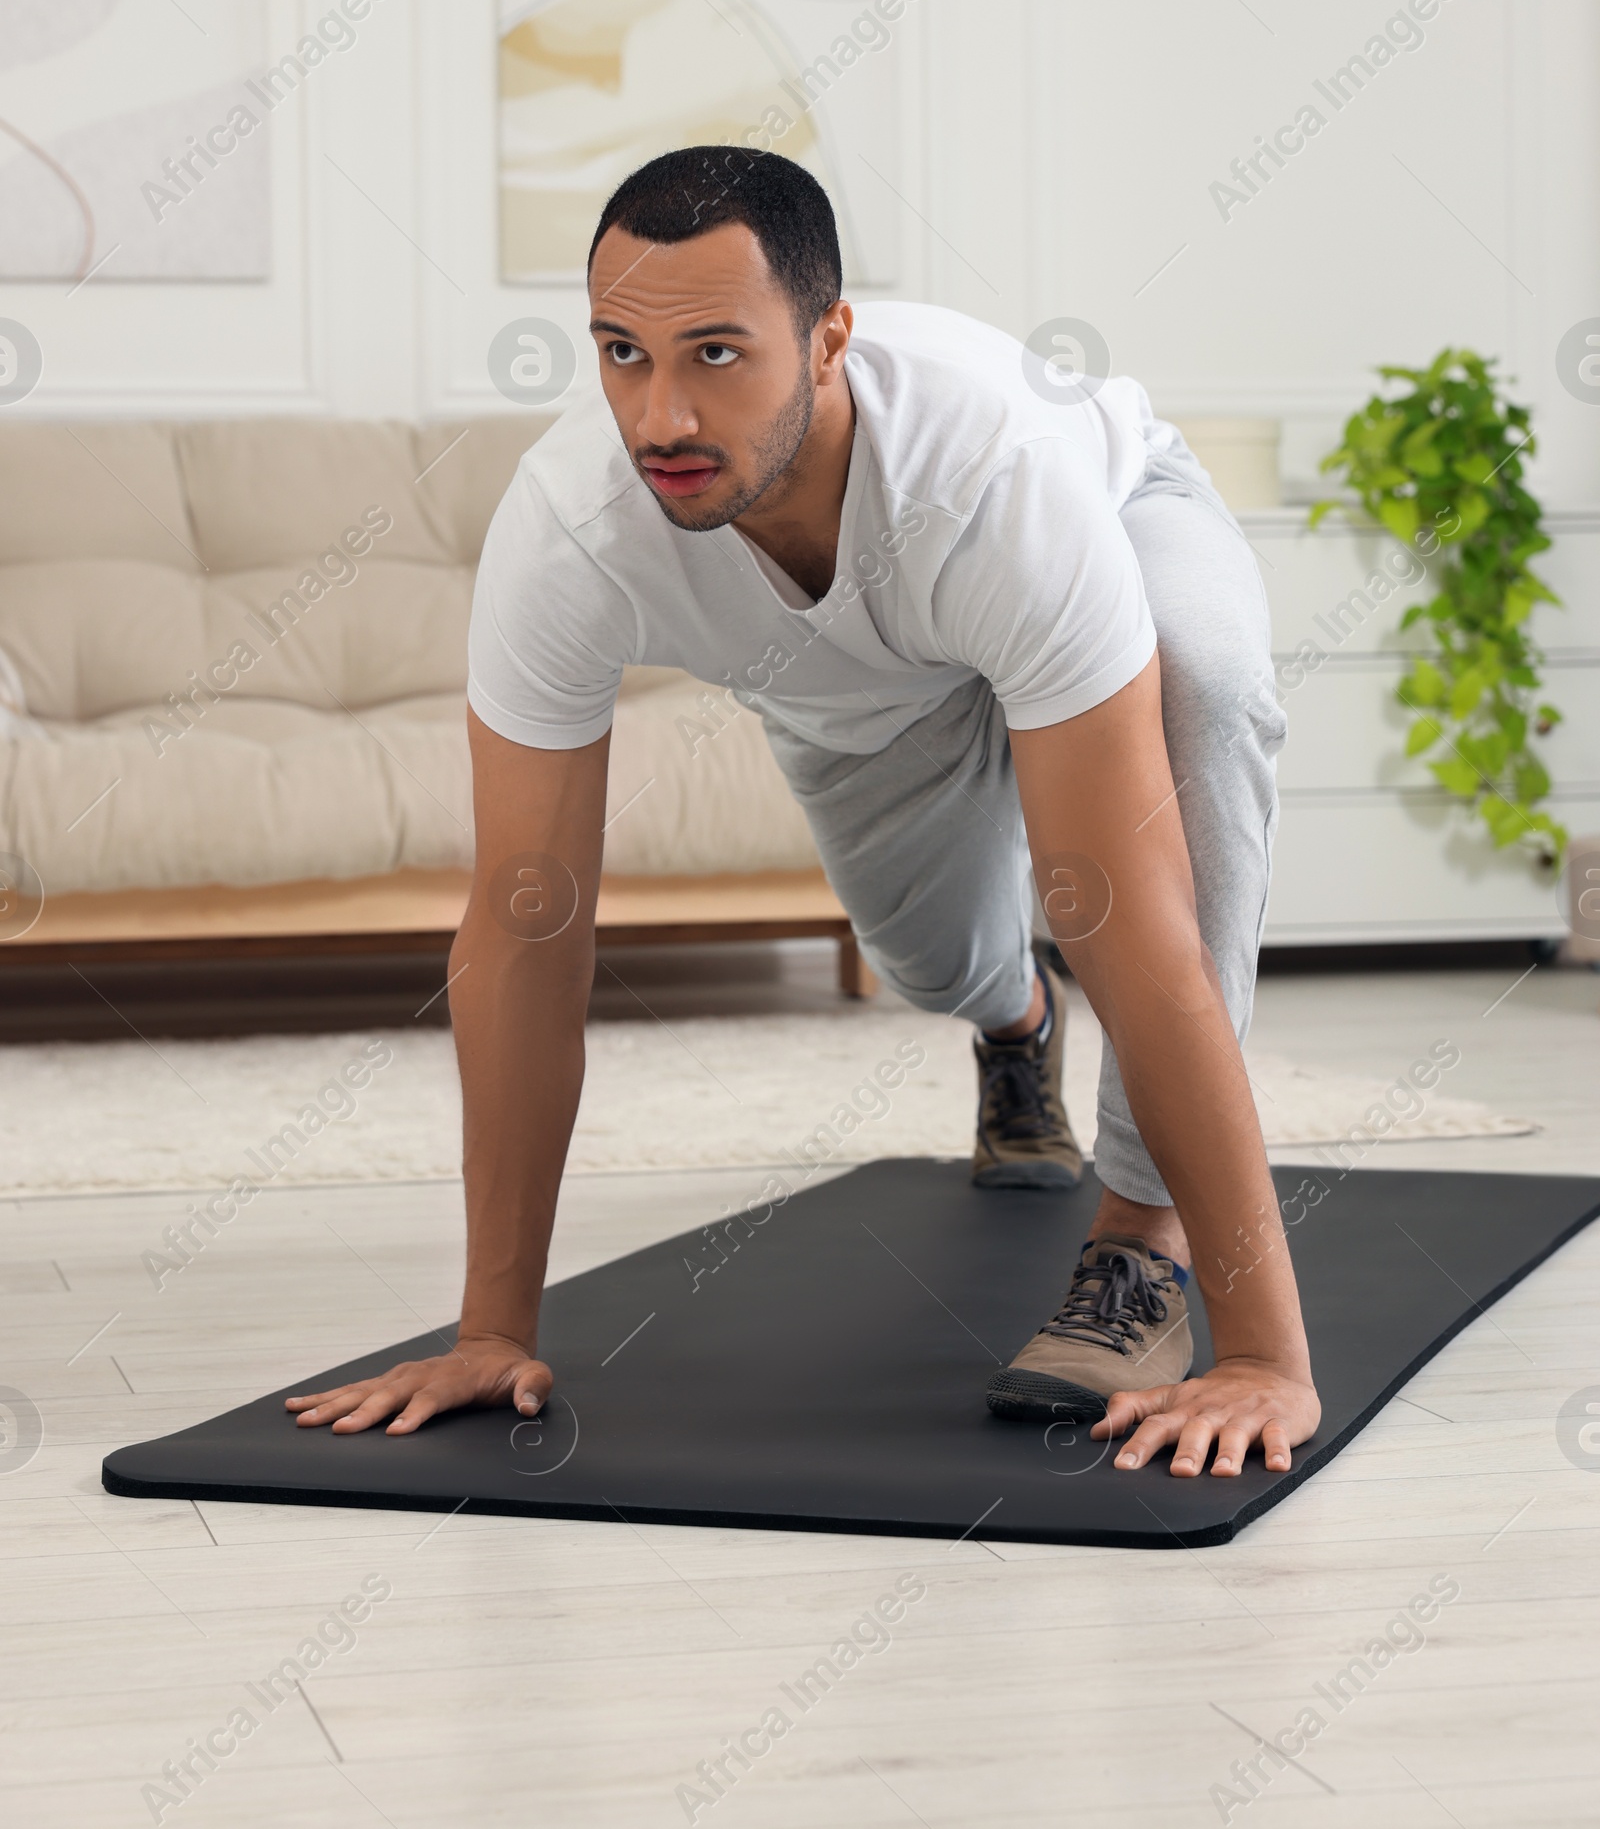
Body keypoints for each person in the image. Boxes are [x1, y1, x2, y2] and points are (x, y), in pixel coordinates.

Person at [288, 147, 1319, 1477]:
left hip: (1112, 525)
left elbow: (1124, 908)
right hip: (852, 683)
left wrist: (1264, 1359)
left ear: (830, 340)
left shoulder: (998, 486)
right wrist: (492, 1326)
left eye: (716, 354)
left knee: (1210, 689)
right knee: (929, 959)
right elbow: (526, 917)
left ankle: (1139, 1237)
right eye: (619, 351)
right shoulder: (572, 527)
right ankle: (1016, 1025)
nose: (659, 414)